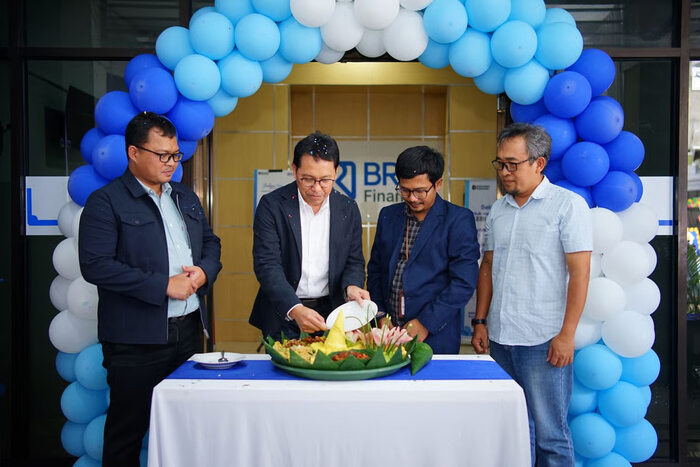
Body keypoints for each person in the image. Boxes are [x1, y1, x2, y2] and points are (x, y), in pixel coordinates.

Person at [78, 111, 222, 467]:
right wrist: (163, 286)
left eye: (175, 155)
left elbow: (211, 243)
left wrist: (204, 272)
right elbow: (96, 265)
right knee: (127, 432)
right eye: (162, 155)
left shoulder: (185, 197)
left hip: (188, 333)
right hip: (136, 341)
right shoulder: (106, 201)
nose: (171, 163)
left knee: (186, 429)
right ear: (133, 152)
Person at [472, 123, 592, 467]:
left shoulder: (567, 206)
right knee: (514, 432)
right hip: (500, 338)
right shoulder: (499, 210)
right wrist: (480, 321)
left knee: (551, 436)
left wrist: (566, 335)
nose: (504, 172)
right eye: (500, 164)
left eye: (513, 164)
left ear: (539, 163)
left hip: (545, 340)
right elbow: (488, 266)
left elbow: (580, 274)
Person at [249, 131, 369, 339]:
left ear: (336, 172)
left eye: (325, 180)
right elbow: (267, 264)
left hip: (331, 312)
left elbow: (354, 260)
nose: (317, 188)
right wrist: (295, 308)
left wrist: (351, 286)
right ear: (295, 170)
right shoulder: (272, 206)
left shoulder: (347, 208)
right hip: (284, 310)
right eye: (308, 179)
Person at [367, 146, 479, 354]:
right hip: (387, 333)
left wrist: (426, 323)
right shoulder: (388, 216)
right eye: (405, 190)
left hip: (435, 336)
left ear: (438, 183)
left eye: (420, 191)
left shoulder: (457, 220)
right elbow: (375, 271)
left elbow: (464, 282)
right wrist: (380, 315)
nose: (412, 198)